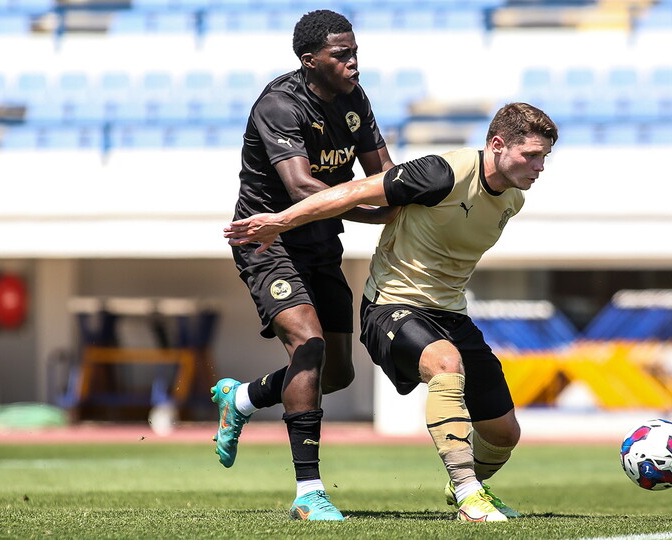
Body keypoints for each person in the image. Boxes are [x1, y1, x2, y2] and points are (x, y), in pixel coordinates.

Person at [225, 102, 558, 521]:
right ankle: (467, 492)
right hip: (392, 305)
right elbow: (353, 191)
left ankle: (468, 486)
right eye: (531, 154)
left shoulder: (513, 198)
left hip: (451, 313)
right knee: (445, 363)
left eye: (544, 156)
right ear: (497, 145)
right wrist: (282, 221)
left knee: (503, 433)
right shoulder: (443, 173)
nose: (539, 166)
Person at [211, 9, 396, 522]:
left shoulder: (355, 100)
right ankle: (309, 493)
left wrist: (403, 197)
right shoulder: (279, 104)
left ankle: (243, 399)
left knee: (335, 372)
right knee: (308, 345)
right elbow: (301, 188)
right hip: (266, 238)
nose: (354, 63)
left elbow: (384, 172)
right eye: (342, 55)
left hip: (319, 241)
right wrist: (379, 211)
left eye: (355, 51)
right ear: (309, 60)